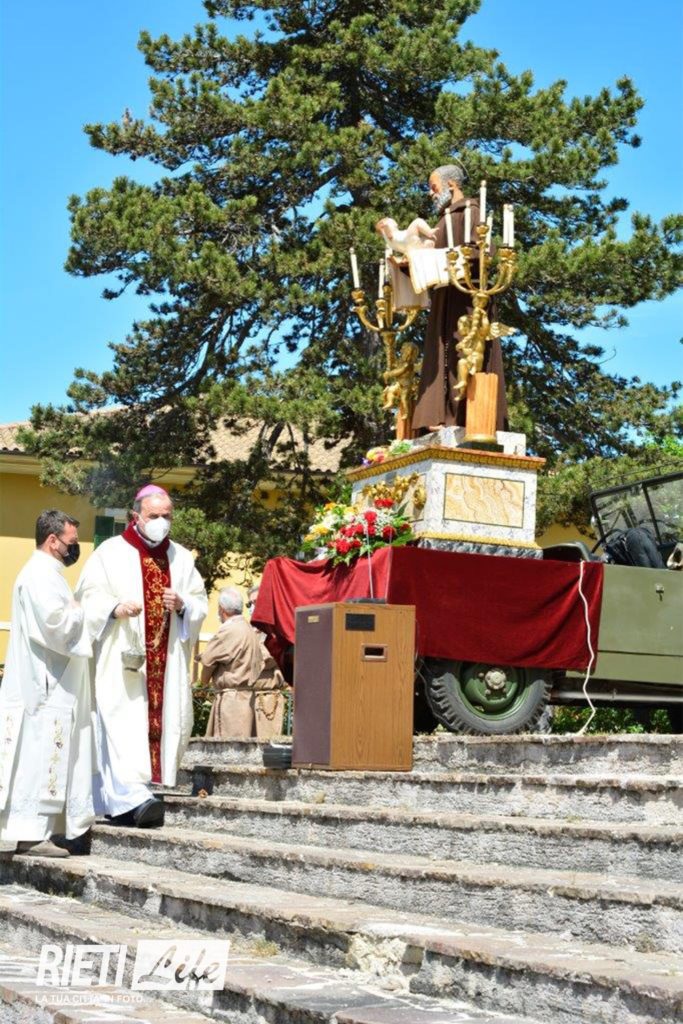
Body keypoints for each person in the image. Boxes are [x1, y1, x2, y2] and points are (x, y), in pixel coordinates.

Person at [76, 485, 207, 827]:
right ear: (136, 516)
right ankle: (129, 797)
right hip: (122, 662)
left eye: (167, 516)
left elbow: (200, 602)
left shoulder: (181, 557)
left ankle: (136, 796)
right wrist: (114, 607)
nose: (161, 522)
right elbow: (87, 597)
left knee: (157, 723)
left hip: (166, 662)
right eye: (154, 516)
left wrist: (183, 605)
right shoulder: (109, 552)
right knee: (120, 722)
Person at [0, 510, 95, 858]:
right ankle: (31, 835)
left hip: (46, 680)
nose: (74, 548)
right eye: (71, 542)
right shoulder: (40, 575)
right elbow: (56, 625)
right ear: (52, 540)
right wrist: (83, 610)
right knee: (39, 753)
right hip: (44, 684)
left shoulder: (46, 573)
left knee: (34, 754)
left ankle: (32, 833)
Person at [411, 162, 509, 434]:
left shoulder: (471, 212)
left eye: (434, 187)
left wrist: (449, 257)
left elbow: (484, 252)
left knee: (461, 351)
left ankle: (462, 416)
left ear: (451, 185)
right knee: (441, 352)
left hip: (466, 297)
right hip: (446, 295)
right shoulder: (443, 219)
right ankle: (439, 414)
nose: (431, 193)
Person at [199, 587, 264, 738]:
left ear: (222, 609)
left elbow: (208, 661)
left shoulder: (228, 630)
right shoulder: (249, 629)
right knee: (244, 746)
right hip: (248, 699)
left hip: (231, 702)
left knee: (228, 747)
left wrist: (203, 683)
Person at [247, 585, 288, 740]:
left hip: (268, 698)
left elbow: (270, 659)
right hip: (247, 697)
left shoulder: (277, 630)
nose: (252, 607)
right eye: (249, 603)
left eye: (256, 602)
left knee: (266, 745)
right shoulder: (248, 631)